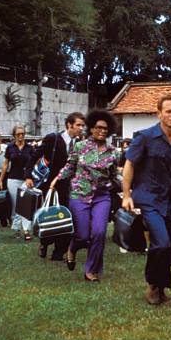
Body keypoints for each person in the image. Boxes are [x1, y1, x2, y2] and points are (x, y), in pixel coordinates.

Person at [122, 94, 171, 305]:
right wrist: (127, 195)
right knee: (162, 242)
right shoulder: (145, 137)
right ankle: (152, 285)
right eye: (168, 111)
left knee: (168, 246)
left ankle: (161, 287)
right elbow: (129, 165)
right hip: (149, 197)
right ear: (159, 113)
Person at [49, 111, 118, 282]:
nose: (102, 131)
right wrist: (56, 179)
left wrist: (127, 188)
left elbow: (114, 173)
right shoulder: (80, 147)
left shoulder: (113, 152)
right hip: (79, 193)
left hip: (102, 196)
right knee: (83, 235)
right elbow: (70, 166)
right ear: (91, 128)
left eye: (105, 128)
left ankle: (91, 270)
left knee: (100, 232)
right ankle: (72, 248)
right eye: (98, 127)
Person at [25, 112, 86, 260]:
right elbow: (35, 155)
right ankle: (45, 242)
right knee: (51, 216)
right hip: (51, 185)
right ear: (69, 125)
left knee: (68, 217)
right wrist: (27, 175)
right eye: (78, 125)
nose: (81, 128)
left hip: (70, 186)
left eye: (82, 126)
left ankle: (59, 252)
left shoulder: (80, 143)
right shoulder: (53, 138)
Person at [0, 125, 35, 241]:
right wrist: (0, 180)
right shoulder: (10, 148)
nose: (21, 136)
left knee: (25, 205)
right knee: (15, 205)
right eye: (18, 134)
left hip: (26, 179)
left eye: (23, 134)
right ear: (14, 135)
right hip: (13, 179)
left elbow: (34, 163)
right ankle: (17, 230)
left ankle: (26, 230)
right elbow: (5, 165)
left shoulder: (30, 148)